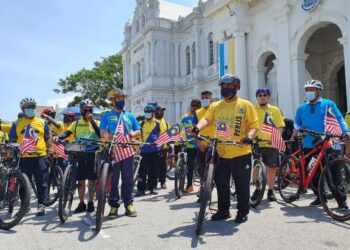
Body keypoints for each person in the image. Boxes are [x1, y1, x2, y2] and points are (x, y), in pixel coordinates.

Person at [190, 74, 259, 223]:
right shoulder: (216, 106)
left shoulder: (246, 105)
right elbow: (206, 120)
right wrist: (197, 128)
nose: (224, 89)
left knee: (242, 185)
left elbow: (254, 125)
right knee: (221, 184)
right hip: (220, 151)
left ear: (236, 87)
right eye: (222, 86)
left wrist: (250, 137)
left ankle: (242, 211)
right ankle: (223, 211)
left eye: (227, 86)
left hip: (241, 152)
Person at [294, 79, 349, 209]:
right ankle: (319, 196)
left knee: (333, 171)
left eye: (312, 89)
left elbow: (339, 118)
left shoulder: (328, 104)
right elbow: (297, 124)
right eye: (307, 90)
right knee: (309, 172)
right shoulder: (301, 108)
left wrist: (346, 131)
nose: (309, 92)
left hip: (329, 142)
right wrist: (294, 136)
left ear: (318, 91)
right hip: (309, 143)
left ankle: (341, 201)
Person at [53, 100, 100, 213]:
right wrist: (58, 137)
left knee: (92, 180)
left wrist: (92, 121)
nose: (88, 111)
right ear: (81, 110)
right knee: (81, 180)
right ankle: (82, 203)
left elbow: (100, 134)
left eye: (90, 109)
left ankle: (91, 202)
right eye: (86, 109)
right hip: (79, 152)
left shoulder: (97, 122)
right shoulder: (76, 123)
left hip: (92, 152)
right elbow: (66, 133)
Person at [100, 89, 141, 218]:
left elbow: (138, 131)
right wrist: (112, 137)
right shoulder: (106, 115)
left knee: (128, 179)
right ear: (112, 100)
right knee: (113, 180)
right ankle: (113, 206)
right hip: (113, 150)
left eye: (123, 98)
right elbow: (102, 133)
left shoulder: (129, 115)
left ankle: (128, 204)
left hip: (128, 150)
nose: (121, 101)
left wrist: (130, 135)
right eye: (118, 98)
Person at [9, 98, 50, 216]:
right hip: (24, 157)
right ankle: (24, 205)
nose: (31, 109)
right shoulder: (16, 123)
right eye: (28, 107)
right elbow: (12, 139)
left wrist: (50, 151)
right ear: (23, 109)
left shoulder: (42, 122)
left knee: (41, 182)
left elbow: (47, 138)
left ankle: (41, 205)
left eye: (32, 107)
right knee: (23, 182)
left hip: (40, 156)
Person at [253, 88, 285, 202]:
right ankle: (257, 189)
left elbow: (280, 126)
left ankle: (271, 191)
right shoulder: (252, 109)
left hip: (271, 144)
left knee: (271, 169)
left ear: (268, 97)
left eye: (265, 95)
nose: (262, 97)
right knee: (256, 167)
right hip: (257, 143)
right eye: (260, 95)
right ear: (257, 97)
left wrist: (276, 138)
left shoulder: (274, 110)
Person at [136, 105, 166, 196]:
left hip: (155, 150)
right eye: (146, 112)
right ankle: (141, 189)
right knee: (142, 171)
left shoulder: (157, 123)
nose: (148, 114)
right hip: (144, 150)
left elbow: (161, 135)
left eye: (149, 112)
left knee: (154, 170)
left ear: (153, 113)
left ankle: (152, 188)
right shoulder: (141, 123)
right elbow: (138, 136)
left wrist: (162, 146)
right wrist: (137, 148)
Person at [179, 99, 201, 193]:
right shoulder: (185, 117)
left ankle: (204, 186)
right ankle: (189, 185)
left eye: (197, 105)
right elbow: (178, 129)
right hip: (190, 145)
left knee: (202, 167)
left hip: (201, 145)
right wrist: (179, 138)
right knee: (190, 166)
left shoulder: (203, 115)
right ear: (191, 106)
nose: (195, 107)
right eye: (193, 105)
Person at [195, 91, 216, 180]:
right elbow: (194, 129)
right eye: (203, 99)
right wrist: (199, 143)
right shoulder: (197, 112)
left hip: (215, 143)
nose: (205, 100)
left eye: (207, 98)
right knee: (202, 167)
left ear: (211, 99)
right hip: (202, 144)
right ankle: (203, 185)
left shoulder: (217, 110)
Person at [154, 105, 170, 189]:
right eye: (160, 111)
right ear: (155, 112)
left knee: (163, 165)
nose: (162, 112)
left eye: (163, 111)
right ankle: (153, 182)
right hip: (154, 148)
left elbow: (169, 133)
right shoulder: (152, 121)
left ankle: (163, 181)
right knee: (153, 166)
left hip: (163, 148)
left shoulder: (165, 122)